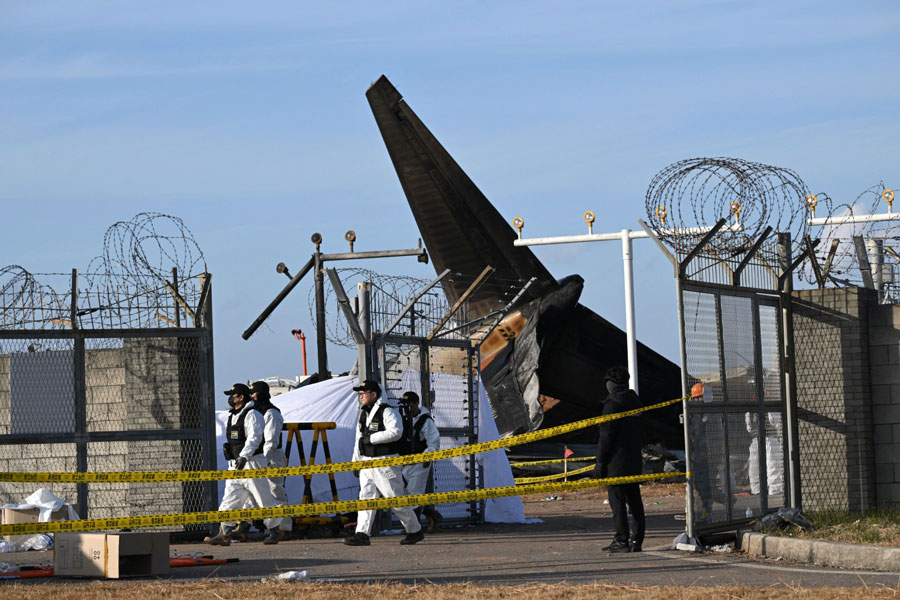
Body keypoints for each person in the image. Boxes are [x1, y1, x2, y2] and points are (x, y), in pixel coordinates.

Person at [344, 379, 424, 546]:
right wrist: (356, 461)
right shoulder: (364, 414)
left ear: (374, 394)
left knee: (394, 498)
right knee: (365, 498)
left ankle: (414, 530)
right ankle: (362, 534)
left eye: (363, 394)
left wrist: (372, 439)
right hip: (367, 463)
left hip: (384, 462)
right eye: (359, 394)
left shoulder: (388, 412)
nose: (360, 397)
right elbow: (359, 440)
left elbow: (396, 432)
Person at [204, 383, 280, 546]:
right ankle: (224, 534)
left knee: (263, 499)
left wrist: (244, 456)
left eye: (234, 395)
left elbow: (255, 437)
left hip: (252, 464)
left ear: (241, 397)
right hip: (235, 465)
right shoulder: (233, 416)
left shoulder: (252, 414)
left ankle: (274, 532)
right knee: (229, 500)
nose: (231, 399)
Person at [594, 366, 645, 553]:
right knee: (635, 500)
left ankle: (621, 540)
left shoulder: (612, 405)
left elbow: (606, 437)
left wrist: (600, 461)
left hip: (616, 461)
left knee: (617, 501)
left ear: (611, 384)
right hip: (634, 458)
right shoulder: (635, 401)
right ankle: (637, 540)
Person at [248, 380, 292, 544]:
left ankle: (284, 528)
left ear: (259, 394)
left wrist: (264, 459)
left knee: (275, 490)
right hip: (258, 457)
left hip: (271, 457)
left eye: (252, 394)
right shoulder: (255, 412)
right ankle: (248, 526)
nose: (250, 397)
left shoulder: (271, 413)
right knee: (254, 492)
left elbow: (271, 441)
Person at [398, 391, 443, 532]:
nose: (407, 408)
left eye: (410, 405)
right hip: (404, 462)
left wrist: (426, 458)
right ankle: (432, 515)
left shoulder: (425, 421)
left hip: (419, 463)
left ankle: (412, 530)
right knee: (403, 494)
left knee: (414, 494)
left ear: (417, 404)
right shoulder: (402, 419)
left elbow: (433, 443)